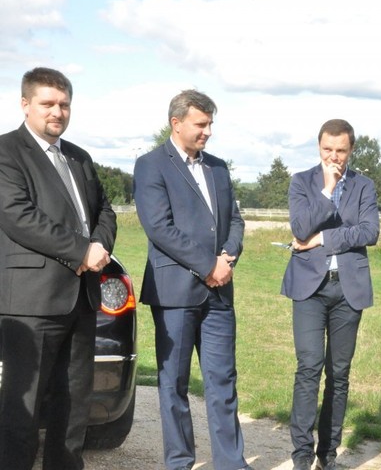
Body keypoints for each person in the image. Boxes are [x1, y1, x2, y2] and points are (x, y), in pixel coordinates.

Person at [0, 67, 116, 469]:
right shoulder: (6, 152)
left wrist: (100, 246)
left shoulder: (79, 157)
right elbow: (19, 216)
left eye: (64, 104)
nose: (57, 112)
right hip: (31, 302)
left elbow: (105, 211)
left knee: (74, 405)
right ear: (25, 104)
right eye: (47, 103)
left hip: (81, 298)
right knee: (23, 409)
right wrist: (82, 251)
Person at [133, 90, 250, 470]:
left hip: (219, 294)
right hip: (174, 294)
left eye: (210, 124)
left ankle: (231, 463)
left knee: (223, 382)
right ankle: (180, 463)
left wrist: (227, 256)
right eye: (201, 124)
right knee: (174, 385)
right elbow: (159, 228)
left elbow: (235, 220)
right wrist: (208, 265)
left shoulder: (218, 168)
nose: (208, 132)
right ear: (176, 123)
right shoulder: (151, 165)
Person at [281, 119, 380, 470]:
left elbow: (369, 232)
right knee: (309, 367)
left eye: (340, 150)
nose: (334, 157)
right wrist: (326, 190)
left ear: (351, 150)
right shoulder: (301, 182)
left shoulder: (364, 186)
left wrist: (322, 239)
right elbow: (300, 228)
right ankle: (302, 455)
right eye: (327, 149)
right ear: (319, 147)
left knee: (339, 373)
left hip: (348, 289)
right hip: (309, 288)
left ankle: (328, 454)